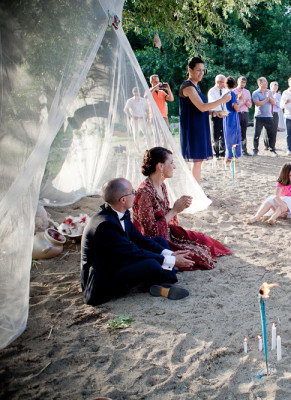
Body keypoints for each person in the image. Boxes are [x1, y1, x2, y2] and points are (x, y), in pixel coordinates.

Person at [81, 178, 193, 306]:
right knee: (152, 264)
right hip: (104, 281)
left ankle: (161, 281)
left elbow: (139, 239)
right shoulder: (104, 226)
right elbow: (132, 252)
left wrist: (169, 254)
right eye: (132, 192)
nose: (135, 194)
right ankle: (163, 281)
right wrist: (170, 260)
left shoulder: (121, 212)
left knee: (160, 242)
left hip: (120, 261)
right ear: (123, 200)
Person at [133, 147, 231, 270]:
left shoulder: (161, 185)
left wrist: (179, 206)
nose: (174, 167)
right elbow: (150, 232)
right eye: (171, 163)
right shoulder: (144, 193)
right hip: (155, 242)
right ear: (160, 166)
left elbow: (162, 214)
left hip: (167, 233)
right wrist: (174, 210)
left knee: (206, 242)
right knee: (200, 255)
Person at [179, 57, 230, 184]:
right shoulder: (188, 87)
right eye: (198, 70)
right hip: (192, 127)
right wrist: (222, 100)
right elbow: (201, 107)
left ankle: (196, 190)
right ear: (190, 70)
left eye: (203, 70)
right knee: (197, 160)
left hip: (200, 125)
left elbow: (198, 108)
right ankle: (195, 192)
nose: (201, 73)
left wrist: (214, 112)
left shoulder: (196, 86)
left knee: (198, 161)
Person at [252, 77, 277, 156]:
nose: (266, 83)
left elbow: (273, 102)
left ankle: (272, 149)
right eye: (264, 82)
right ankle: (255, 150)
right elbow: (257, 103)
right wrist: (266, 99)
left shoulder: (269, 92)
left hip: (268, 116)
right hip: (259, 116)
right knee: (257, 134)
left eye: (266, 82)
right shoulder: (255, 93)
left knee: (272, 133)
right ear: (260, 83)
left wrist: (269, 97)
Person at [207, 74, 228, 159]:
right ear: (218, 82)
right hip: (215, 115)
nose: (224, 84)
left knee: (223, 134)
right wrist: (221, 99)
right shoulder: (212, 91)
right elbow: (212, 103)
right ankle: (216, 153)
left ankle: (223, 152)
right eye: (223, 82)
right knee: (215, 135)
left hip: (224, 115)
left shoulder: (225, 90)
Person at [223, 76, 242, 163]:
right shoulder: (232, 93)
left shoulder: (224, 92)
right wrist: (240, 100)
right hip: (232, 117)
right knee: (234, 136)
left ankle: (228, 156)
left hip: (226, 116)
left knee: (227, 136)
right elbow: (236, 107)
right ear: (234, 84)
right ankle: (231, 157)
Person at [233, 76, 253, 156]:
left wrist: (246, 102)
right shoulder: (234, 91)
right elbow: (235, 104)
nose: (243, 84)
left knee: (244, 131)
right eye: (241, 82)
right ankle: (235, 149)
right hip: (237, 112)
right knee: (236, 131)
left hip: (245, 112)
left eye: (244, 82)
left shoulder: (247, 92)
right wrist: (242, 102)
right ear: (238, 82)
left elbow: (250, 105)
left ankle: (244, 150)